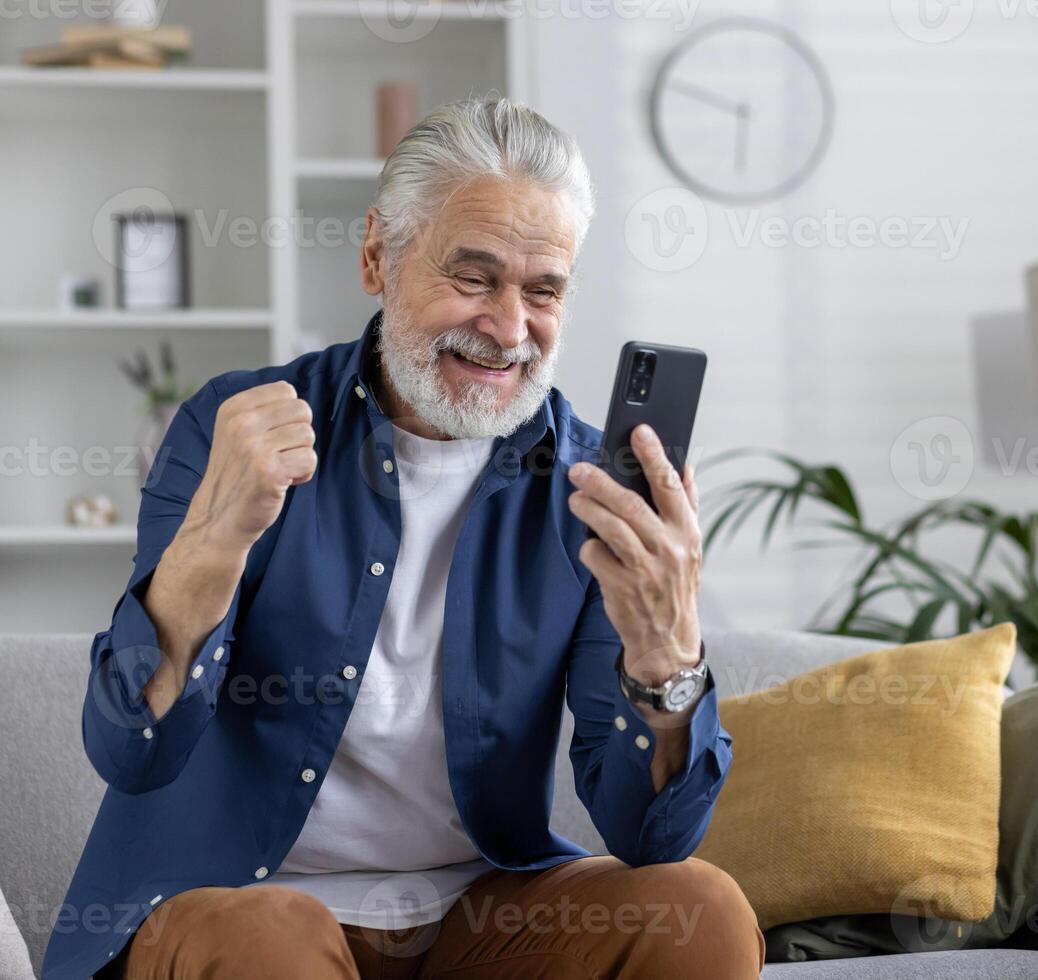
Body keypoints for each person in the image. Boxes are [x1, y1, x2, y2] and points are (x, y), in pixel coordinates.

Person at [42, 96, 762, 980]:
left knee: (700, 911)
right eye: (473, 277)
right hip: (238, 906)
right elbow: (130, 749)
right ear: (378, 255)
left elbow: (650, 836)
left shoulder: (587, 489)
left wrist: (666, 652)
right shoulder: (236, 430)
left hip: (475, 915)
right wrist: (213, 539)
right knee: (267, 938)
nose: (508, 328)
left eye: (543, 291)